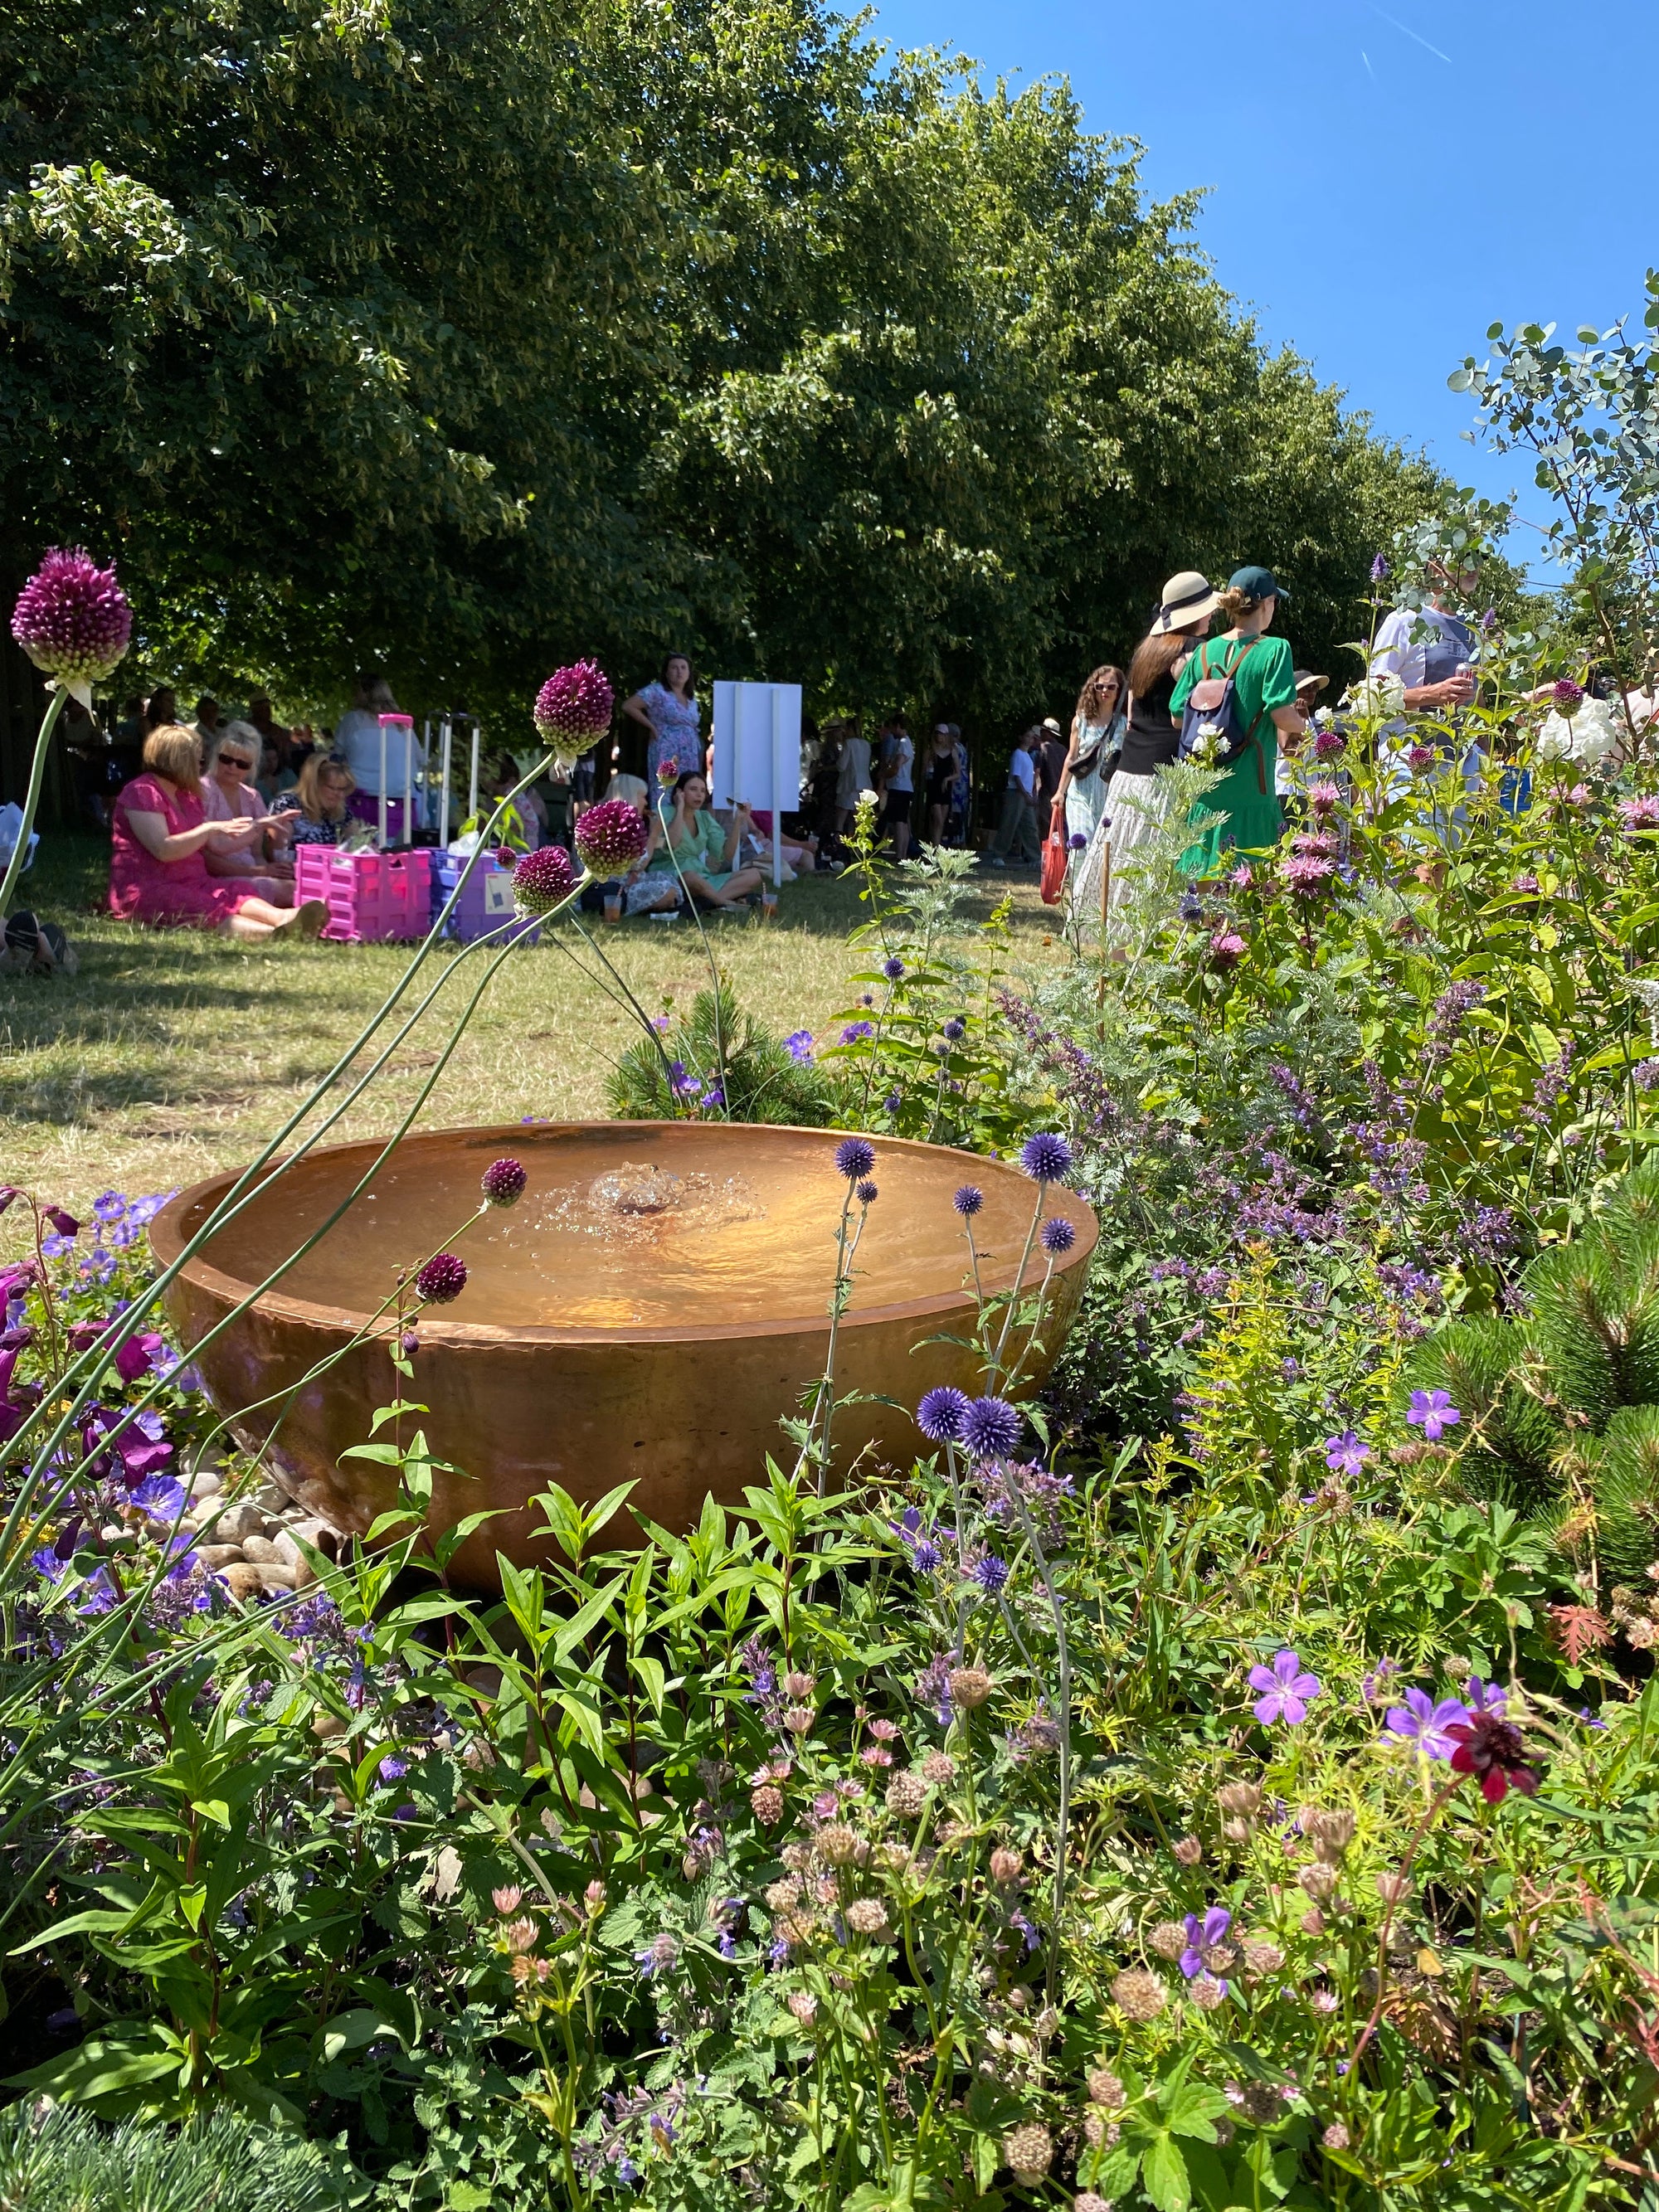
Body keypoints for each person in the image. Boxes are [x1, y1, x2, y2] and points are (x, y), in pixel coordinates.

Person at [109, 725, 324, 941]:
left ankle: (284, 917)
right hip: (150, 888)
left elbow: (219, 846)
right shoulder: (142, 792)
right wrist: (209, 828)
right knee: (206, 906)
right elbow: (163, 849)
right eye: (197, 760)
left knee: (237, 891)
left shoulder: (186, 796)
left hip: (194, 880)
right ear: (178, 760)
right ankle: (275, 935)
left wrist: (258, 826)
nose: (200, 766)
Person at [1170, 566, 1305, 875]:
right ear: (1267, 603)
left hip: (1205, 790)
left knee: (1202, 888)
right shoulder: (1275, 649)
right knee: (1254, 893)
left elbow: (1178, 718)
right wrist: (1305, 728)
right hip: (1251, 790)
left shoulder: (1204, 652)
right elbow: (1281, 713)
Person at [201, 722, 295, 903]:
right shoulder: (203, 791)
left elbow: (257, 854)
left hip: (252, 874)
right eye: (226, 759)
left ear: (252, 767)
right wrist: (260, 873)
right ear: (215, 756)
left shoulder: (252, 797)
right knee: (291, 891)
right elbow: (205, 859)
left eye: (242, 764)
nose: (233, 768)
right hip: (216, 878)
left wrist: (271, 872)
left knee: (294, 886)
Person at [648, 769, 765, 909]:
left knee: (754, 874)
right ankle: (720, 900)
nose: (699, 795)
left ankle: (707, 901)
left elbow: (726, 854)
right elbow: (672, 844)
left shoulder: (704, 818)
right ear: (680, 792)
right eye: (693, 789)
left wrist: (738, 821)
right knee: (690, 877)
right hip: (671, 876)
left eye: (703, 791)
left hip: (701, 876)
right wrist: (679, 809)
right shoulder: (662, 812)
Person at [578, 774, 684, 919]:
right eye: (642, 796)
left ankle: (657, 906)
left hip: (626, 883)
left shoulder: (618, 819)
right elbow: (639, 864)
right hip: (610, 890)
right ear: (631, 796)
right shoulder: (616, 824)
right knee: (667, 890)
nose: (645, 802)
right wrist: (654, 835)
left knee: (669, 878)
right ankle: (645, 908)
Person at [1054, 666, 1126, 863]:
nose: (1105, 691)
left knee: (1102, 853)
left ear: (1119, 690)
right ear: (1092, 689)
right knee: (1080, 847)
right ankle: (1077, 892)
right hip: (1080, 793)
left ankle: (1095, 893)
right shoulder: (1081, 721)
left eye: (1111, 687)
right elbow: (1071, 756)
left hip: (1108, 794)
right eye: (1100, 686)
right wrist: (1061, 792)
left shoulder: (1124, 724)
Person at [333, 670, 414, 837]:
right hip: (401, 803)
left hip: (361, 800)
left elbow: (336, 758)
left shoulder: (353, 720)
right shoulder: (403, 724)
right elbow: (419, 760)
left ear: (363, 693)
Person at [622, 654, 703, 791]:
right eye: (674, 667)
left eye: (684, 668)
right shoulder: (656, 691)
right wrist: (651, 727)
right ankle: (662, 813)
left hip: (690, 751)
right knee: (665, 788)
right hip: (666, 748)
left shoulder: (691, 697)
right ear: (666, 672)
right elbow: (628, 706)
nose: (679, 671)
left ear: (689, 673)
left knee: (688, 787)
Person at [271, 754, 358, 847]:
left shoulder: (341, 810)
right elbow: (278, 854)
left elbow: (358, 843)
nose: (340, 795)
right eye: (332, 788)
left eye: (343, 789)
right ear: (314, 785)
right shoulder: (287, 804)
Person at [985, 728, 1041, 867]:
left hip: (1026, 794)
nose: (1030, 739)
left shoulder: (1028, 756)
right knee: (1009, 824)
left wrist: (1032, 794)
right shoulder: (1017, 754)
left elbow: (1030, 777)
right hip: (1016, 793)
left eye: (1032, 737)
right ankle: (998, 854)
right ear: (1021, 737)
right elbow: (1017, 777)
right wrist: (1024, 793)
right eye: (1027, 736)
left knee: (1030, 826)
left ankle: (1035, 857)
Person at [924, 722, 967, 845]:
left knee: (941, 821)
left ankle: (934, 847)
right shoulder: (930, 752)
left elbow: (958, 773)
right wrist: (929, 769)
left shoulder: (952, 752)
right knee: (937, 818)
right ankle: (936, 848)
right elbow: (924, 771)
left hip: (946, 787)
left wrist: (947, 779)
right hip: (934, 787)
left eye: (942, 734)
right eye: (937, 734)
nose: (940, 737)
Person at [878, 716, 915, 857]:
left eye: (893, 727)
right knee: (903, 821)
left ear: (898, 726)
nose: (891, 731)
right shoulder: (907, 743)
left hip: (899, 787)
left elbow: (897, 766)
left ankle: (900, 855)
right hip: (905, 788)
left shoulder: (903, 743)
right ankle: (903, 854)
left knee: (899, 822)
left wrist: (885, 774)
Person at [834, 718, 873, 834]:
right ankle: (857, 848)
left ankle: (837, 844)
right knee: (858, 819)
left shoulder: (849, 743)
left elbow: (842, 766)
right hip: (864, 784)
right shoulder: (866, 745)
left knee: (841, 818)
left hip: (849, 785)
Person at [1034, 717, 1068, 821]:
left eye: (1042, 731)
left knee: (1044, 825)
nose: (1040, 734)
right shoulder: (1064, 750)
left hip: (1045, 794)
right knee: (1058, 827)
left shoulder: (1043, 748)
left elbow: (1038, 772)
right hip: (1060, 793)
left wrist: (1035, 792)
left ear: (1047, 733)